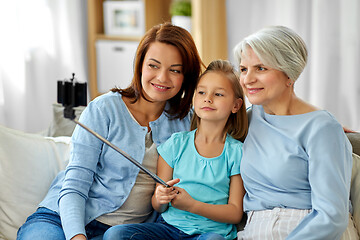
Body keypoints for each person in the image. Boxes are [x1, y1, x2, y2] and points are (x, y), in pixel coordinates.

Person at [16, 22, 203, 240]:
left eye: (175, 70)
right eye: (153, 65)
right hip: (61, 219)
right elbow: (75, 183)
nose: (162, 77)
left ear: (186, 76)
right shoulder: (103, 109)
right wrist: (77, 236)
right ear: (140, 65)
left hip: (124, 232)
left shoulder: (187, 121)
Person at [102, 59, 248, 240]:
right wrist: (160, 197)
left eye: (218, 94)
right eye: (201, 92)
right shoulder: (175, 144)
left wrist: (192, 205)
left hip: (210, 234)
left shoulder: (237, 152)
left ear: (236, 105)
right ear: (194, 98)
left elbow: (235, 213)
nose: (208, 98)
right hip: (168, 230)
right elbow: (158, 205)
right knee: (115, 235)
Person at [234, 25, 353, 239]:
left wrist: (326, 129)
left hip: (310, 230)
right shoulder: (247, 119)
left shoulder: (322, 128)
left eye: (261, 68)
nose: (247, 79)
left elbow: (331, 216)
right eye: (243, 69)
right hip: (253, 230)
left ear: (289, 73)